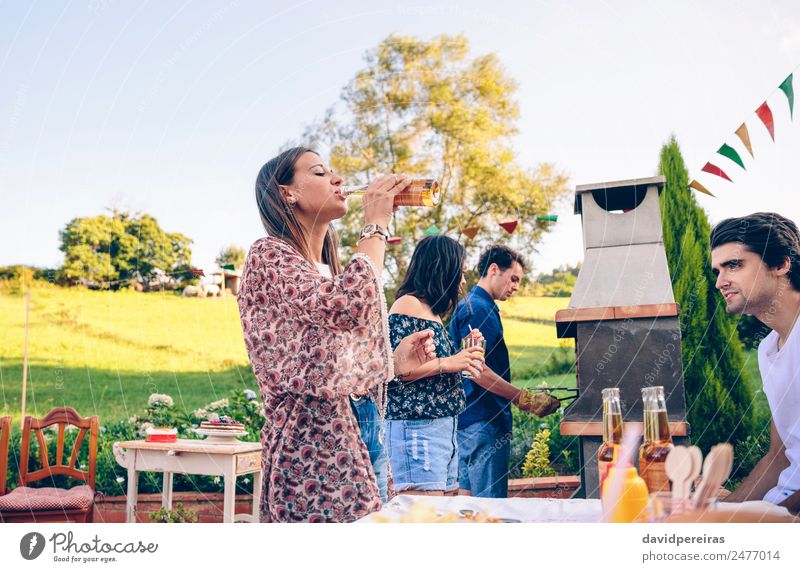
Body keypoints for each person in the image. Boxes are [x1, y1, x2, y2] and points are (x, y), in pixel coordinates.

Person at [238, 146, 438, 522]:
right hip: (312, 443)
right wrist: (375, 223)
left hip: (362, 426)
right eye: (318, 171)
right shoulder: (268, 255)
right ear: (287, 193)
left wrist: (393, 363)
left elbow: (326, 363)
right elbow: (349, 305)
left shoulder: (325, 268)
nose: (337, 178)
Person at [450, 244, 560, 498]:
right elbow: (476, 370)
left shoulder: (476, 306)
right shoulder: (478, 309)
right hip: (483, 422)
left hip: (470, 423)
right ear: (493, 269)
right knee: (489, 510)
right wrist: (525, 399)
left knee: (468, 510)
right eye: (513, 279)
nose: (516, 287)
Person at [710, 212, 800, 514]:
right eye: (717, 271)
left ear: (781, 264)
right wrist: (719, 514)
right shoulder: (768, 349)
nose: (720, 282)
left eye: (734, 265)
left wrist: (771, 523)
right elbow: (780, 456)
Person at [385, 235, 486, 495]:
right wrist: (451, 362)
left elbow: (434, 366)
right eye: (460, 272)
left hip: (442, 426)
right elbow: (395, 371)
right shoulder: (408, 304)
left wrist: (465, 354)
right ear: (442, 269)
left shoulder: (433, 313)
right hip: (417, 426)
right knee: (422, 512)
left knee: (441, 509)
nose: (463, 281)